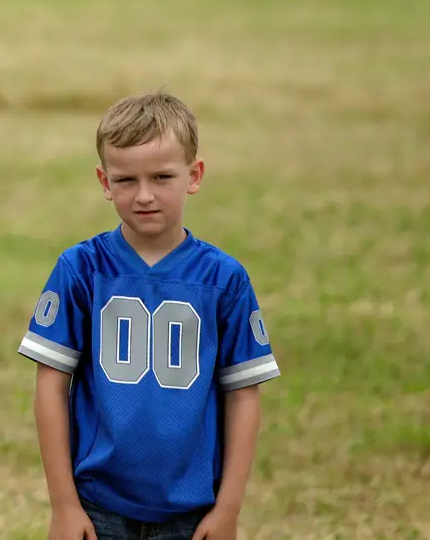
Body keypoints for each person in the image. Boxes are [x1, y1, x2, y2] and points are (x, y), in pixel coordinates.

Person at [18, 91, 280, 540]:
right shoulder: (81, 270)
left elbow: (244, 397)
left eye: (161, 176)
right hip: (99, 506)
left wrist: (228, 510)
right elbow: (50, 384)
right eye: (125, 180)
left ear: (194, 175)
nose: (144, 195)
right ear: (104, 181)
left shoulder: (224, 279)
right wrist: (63, 505)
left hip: (192, 511)